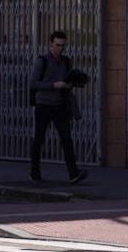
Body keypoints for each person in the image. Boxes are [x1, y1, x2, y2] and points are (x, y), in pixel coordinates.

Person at [29, 30, 87, 185]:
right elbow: (33, 83)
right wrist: (53, 85)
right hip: (44, 106)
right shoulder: (42, 61)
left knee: (66, 139)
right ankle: (34, 173)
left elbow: (68, 80)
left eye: (63, 45)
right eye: (57, 45)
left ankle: (73, 173)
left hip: (60, 106)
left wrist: (72, 83)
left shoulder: (66, 61)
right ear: (50, 44)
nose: (60, 48)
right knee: (39, 139)